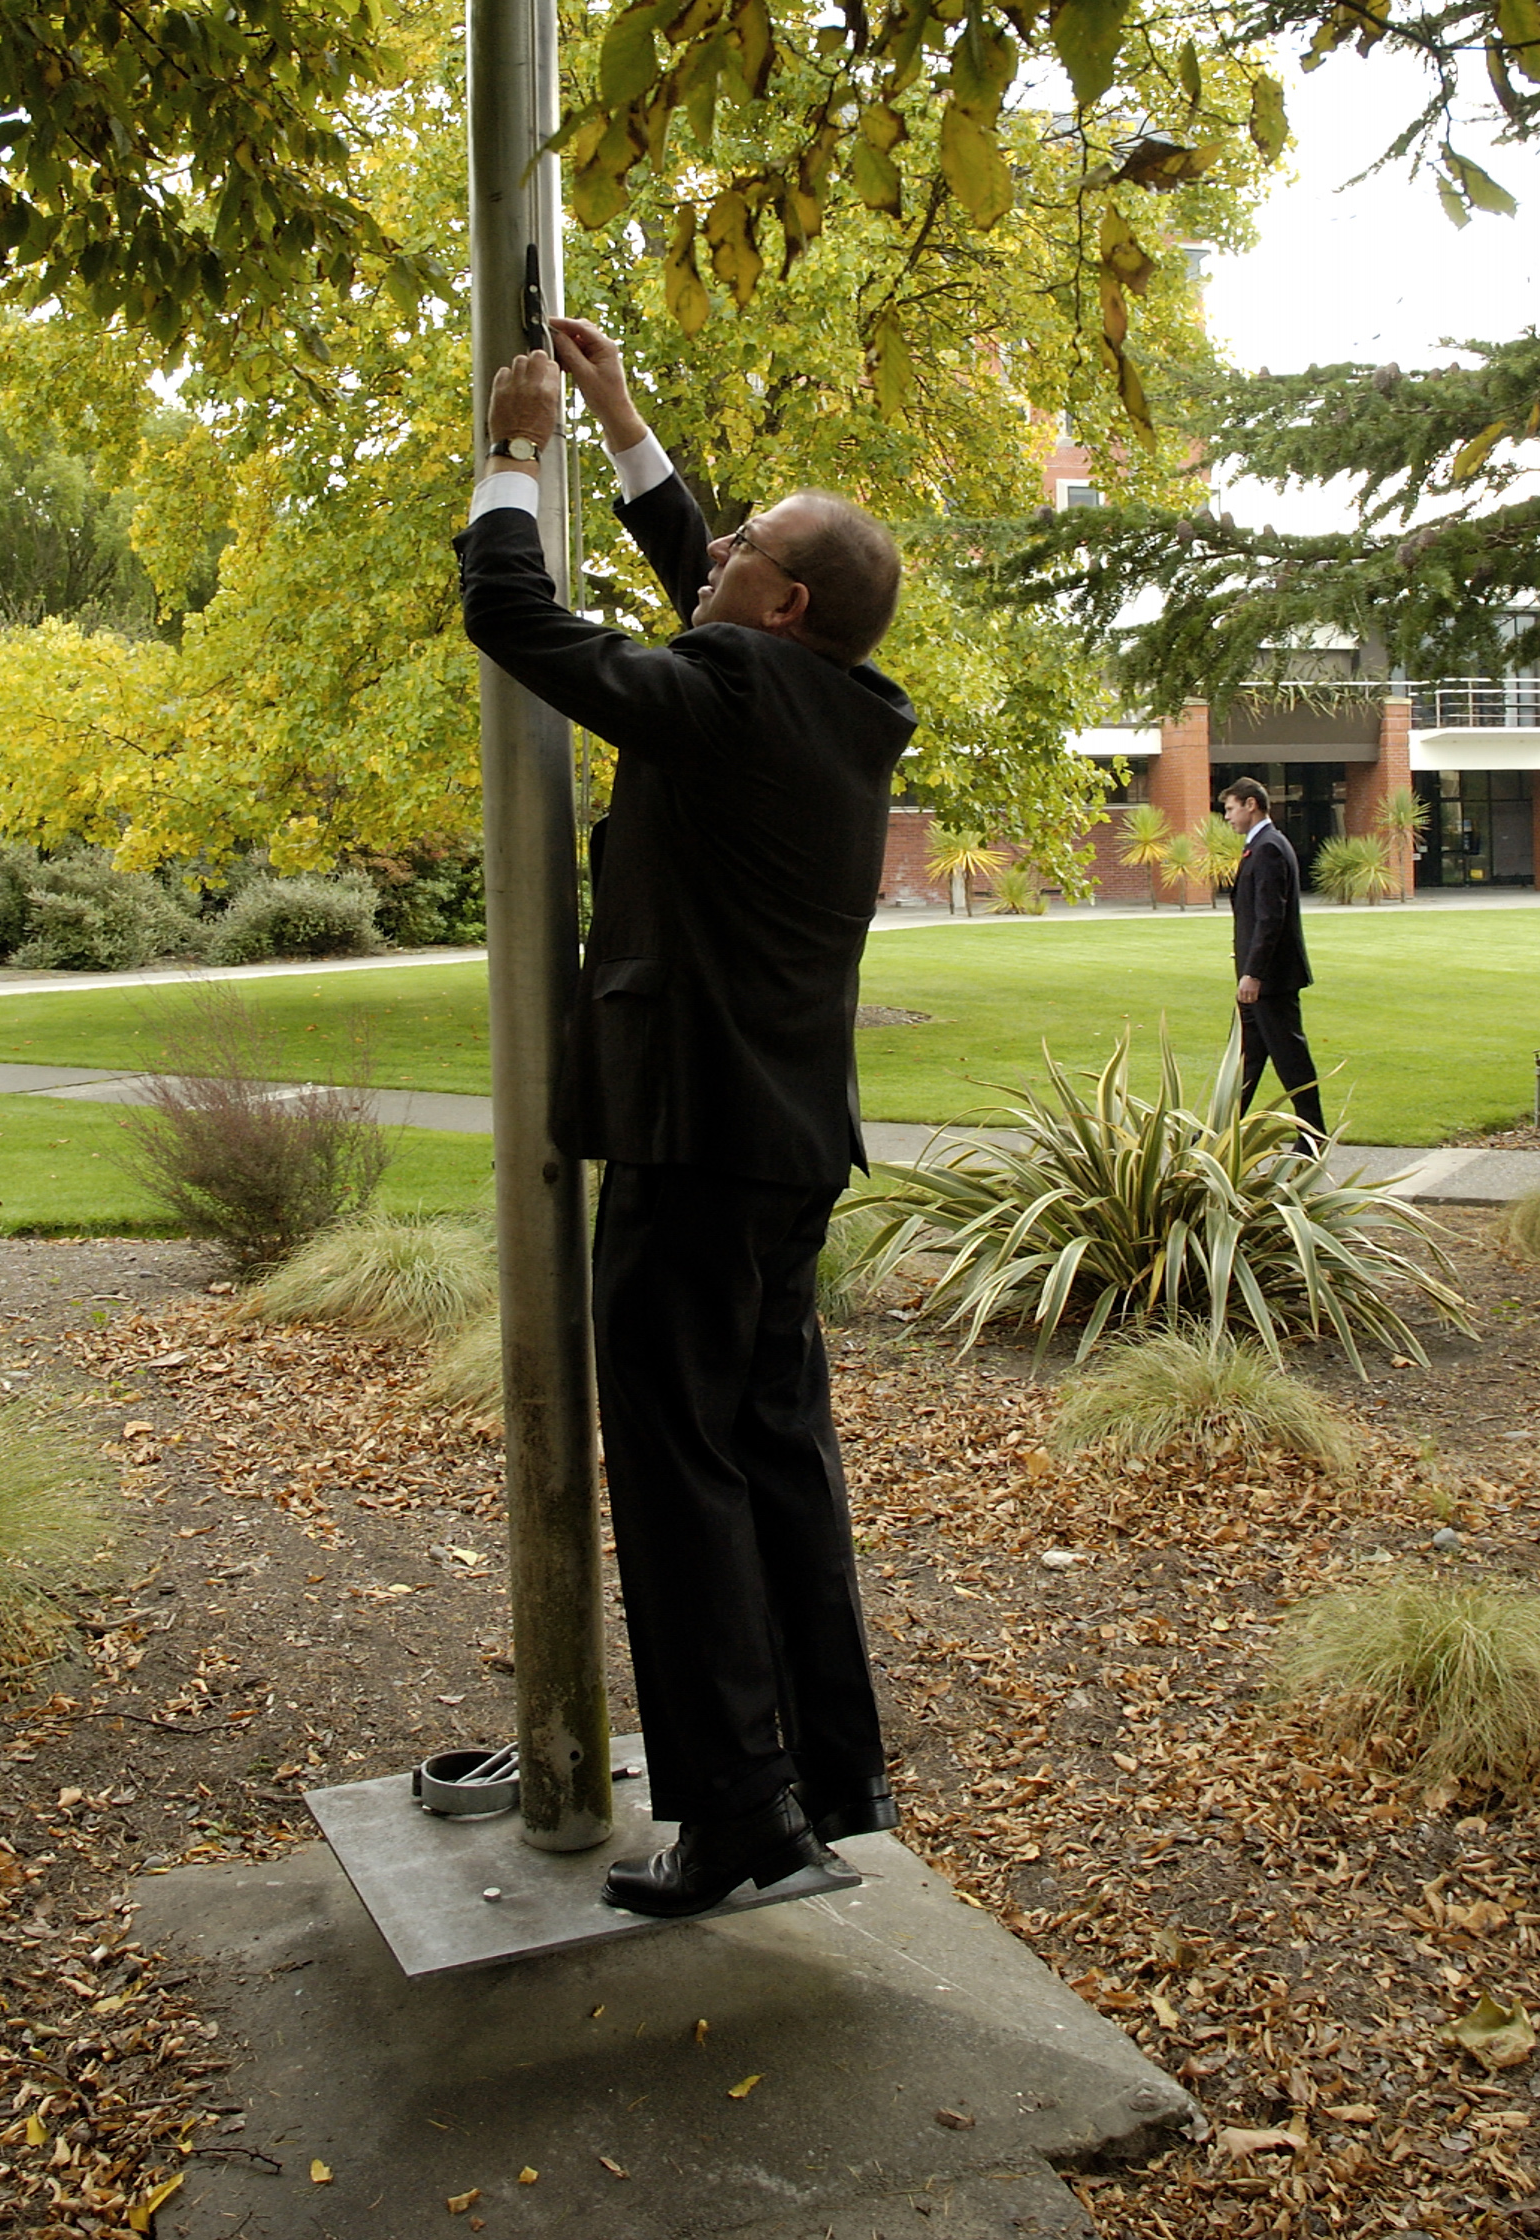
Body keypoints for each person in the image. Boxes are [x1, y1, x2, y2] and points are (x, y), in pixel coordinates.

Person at [455, 315, 916, 1920]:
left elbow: (514, 615)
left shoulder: (731, 688)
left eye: (742, 548)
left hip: (696, 1141)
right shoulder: (831, 703)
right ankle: (824, 1780)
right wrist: (626, 424)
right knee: (774, 1452)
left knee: (678, 1464)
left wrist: (515, 457)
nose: (711, 547)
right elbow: (709, 593)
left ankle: (738, 1818)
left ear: (781, 607)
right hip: (783, 1146)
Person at [1221, 776, 1326, 1149]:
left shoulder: (1268, 848)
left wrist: (1253, 972)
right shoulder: (1262, 846)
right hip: (1260, 979)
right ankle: (1222, 1133)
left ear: (1251, 804)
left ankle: (1313, 1135)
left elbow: (1271, 918)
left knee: (1290, 1058)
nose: (1228, 817)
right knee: (1246, 1061)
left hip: (1269, 981)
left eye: (1231, 809)